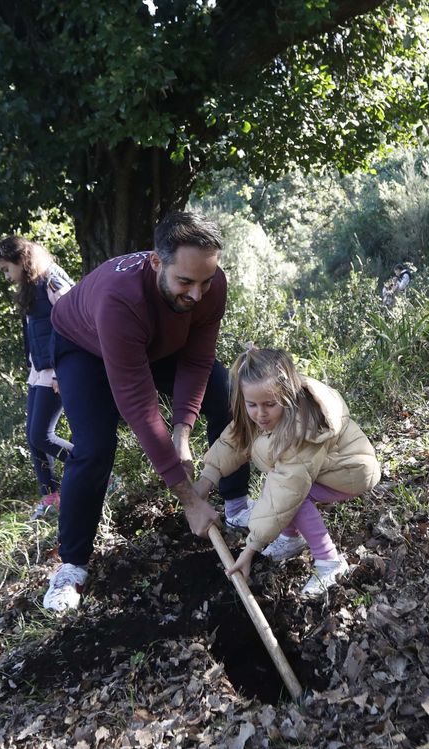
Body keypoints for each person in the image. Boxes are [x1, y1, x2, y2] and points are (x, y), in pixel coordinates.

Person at [41, 211, 252, 613]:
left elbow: (197, 361)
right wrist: (189, 500)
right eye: (185, 282)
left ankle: (236, 504)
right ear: (157, 262)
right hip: (85, 347)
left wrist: (182, 432)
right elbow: (139, 406)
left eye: (205, 281)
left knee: (226, 392)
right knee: (95, 446)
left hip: (154, 343)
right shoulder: (120, 298)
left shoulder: (210, 287)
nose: (196, 294)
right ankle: (71, 566)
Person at [192, 347, 381, 597]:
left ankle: (329, 562)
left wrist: (251, 549)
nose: (260, 413)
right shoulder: (258, 415)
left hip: (351, 469)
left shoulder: (302, 429)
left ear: (287, 395)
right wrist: (206, 479)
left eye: (270, 404)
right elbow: (234, 442)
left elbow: (287, 491)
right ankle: (291, 539)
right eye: (252, 405)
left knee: (293, 495)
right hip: (326, 468)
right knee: (286, 487)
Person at [0, 236, 74, 520]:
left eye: (6, 269)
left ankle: (99, 471)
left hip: (56, 371)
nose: (6, 276)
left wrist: (63, 370)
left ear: (20, 260)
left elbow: (73, 321)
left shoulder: (51, 280)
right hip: (38, 371)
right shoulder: (31, 286)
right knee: (33, 438)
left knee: (42, 434)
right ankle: (51, 497)